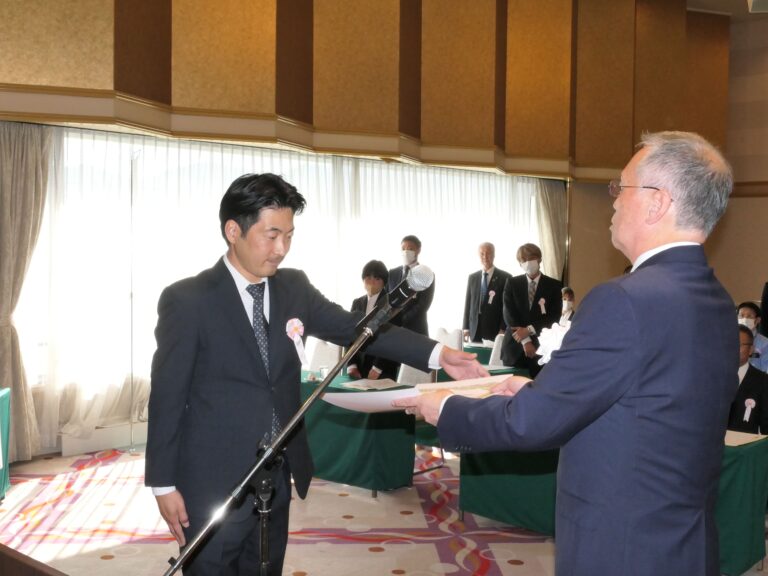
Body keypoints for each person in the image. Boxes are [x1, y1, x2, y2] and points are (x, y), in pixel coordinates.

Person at [395, 131, 737, 575]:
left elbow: (531, 424)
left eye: (621, 187)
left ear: (657, 202)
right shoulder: (715, 298)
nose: (612, 201)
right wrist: (538, 388)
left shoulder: (625, 300)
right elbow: (644, 402)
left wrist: (444, 407)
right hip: (682, 542)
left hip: (620, 546)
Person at [144, 173, 486, 576]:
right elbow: (167, 396)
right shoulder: (188, 299)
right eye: (271, 235)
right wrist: (163, 484)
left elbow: (360, 328)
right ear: (233, 230)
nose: (281, 249)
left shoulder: (294, 287)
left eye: (289, 235)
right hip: (212, 479)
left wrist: (439, 353)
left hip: (275, 477)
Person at [499, 243, 562, 377]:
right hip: (514, 349)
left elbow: (554, 317)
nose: (528, 262)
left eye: (531, 258)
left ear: (539, 259)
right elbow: (509, 315)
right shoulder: (511, 283)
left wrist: (529, 330)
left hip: (541, 349)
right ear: (519, 263)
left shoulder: (554, 286)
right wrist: (526, 341)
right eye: (523, 260)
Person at [347, 259, 398, 381]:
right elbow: (349, 334)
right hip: (358, 368)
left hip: (382, 369)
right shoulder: (357, 302)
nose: (372, 282)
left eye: (377, 279)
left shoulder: (392, 304)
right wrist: (351, 365)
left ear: (384, 282)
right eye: (368, 278)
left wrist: (377, 368)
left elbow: (393, 339)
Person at [462, 242, 511, 343]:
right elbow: (468, 304)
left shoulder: (505, 277)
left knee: (492, 358)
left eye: (488, 253)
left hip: (495, 329)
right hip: (474, 328)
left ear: (494, 255)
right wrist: (465, 328)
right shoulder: (473, 277)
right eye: (482, 254)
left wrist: (503, 328)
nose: (485, 256)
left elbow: (507, 307)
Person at [387, 235, 434, 336]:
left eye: (410, 249)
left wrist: (402, 320)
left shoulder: (426, 274)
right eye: (403, 249)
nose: (406, 252)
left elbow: (424, 304)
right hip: (392, 330)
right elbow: (387, 299)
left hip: (417, 329)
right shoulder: (392, 273)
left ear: (418, 250)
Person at [727, 325, 768, 433]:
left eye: (739, 344)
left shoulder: (763, 380)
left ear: (751, 350)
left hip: (745, 446)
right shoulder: (712, 377)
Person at [736, 301, 768, 373]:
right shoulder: (728, 339)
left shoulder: (765, 343)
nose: (744, 319)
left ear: (757, 320)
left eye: (749, 316)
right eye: (741, 315)